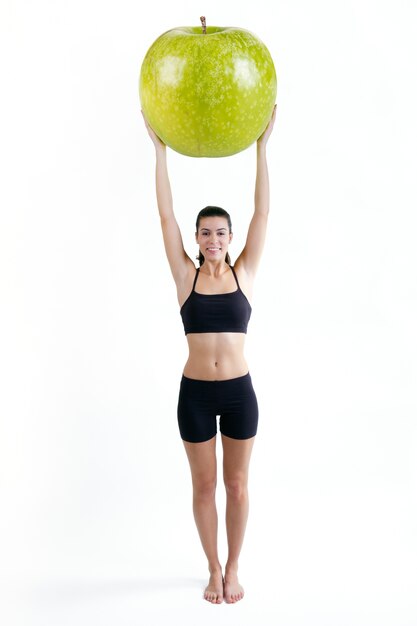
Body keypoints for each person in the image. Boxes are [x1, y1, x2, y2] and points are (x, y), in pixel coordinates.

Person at [142, 105, 276, 604]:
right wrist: (160, 154)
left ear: (231, 238)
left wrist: (262, 148)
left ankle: (236, 566)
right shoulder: (186, 277)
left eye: (222, 232)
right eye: (206, 233)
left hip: (240, 393)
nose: (214, 239)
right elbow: (164, 215)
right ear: (197, 241)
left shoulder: (245, 273)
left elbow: (263, 211)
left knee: (237, 485)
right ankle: (213, 567)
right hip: (195, 395)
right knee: (204, 488)